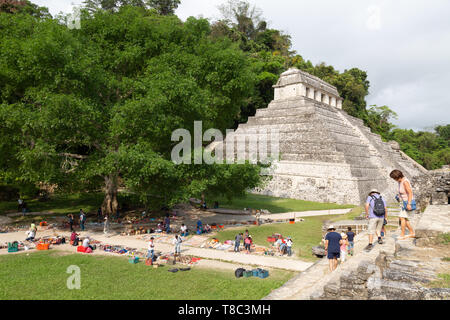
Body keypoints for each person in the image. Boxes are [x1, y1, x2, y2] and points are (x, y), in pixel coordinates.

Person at [390, 170, 416, 240]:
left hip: (407, 202)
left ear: (397, 176)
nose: (394, 180)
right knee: (404, 218)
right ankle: (411, 232)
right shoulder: (400, 182)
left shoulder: (405, 182)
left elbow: (410, 193)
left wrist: (409, 203)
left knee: (402, 218)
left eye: (394, 178)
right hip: (403, 202)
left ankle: (402, 234)